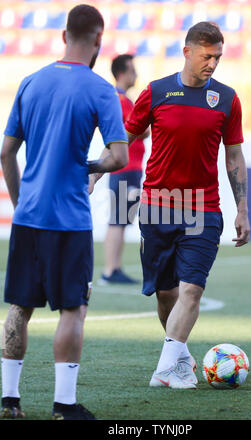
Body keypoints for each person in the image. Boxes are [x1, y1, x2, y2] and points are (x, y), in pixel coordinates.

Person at [0, 4, 128, 419]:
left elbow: (6, 153)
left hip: (28, 217)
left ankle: (10, 400)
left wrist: (22, 204)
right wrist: (89, 167)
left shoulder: (31, 82)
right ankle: (64, 405)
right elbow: (118, 156)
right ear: (98, 40)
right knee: (73, 308)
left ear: (62, 36)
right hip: (69, 221)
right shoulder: (100, 89)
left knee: (19, 306)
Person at [125, 21, 250, 389]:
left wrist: (241, 208)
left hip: (204, 208)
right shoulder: (156, 92)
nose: (212, 63)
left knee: (192, 288)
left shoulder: (227, 99)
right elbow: (124, 138)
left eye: (218, 57)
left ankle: (165, 370)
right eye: (206, 56)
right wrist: (98, 171)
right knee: (167, 294)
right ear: (187, 52)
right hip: (157, 206)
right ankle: (179, 356)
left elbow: (235, 156)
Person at [99, 54, 148, 285]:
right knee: (118, 220)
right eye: (132, 70)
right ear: (122, 73)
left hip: (128, 169)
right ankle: (110, 270)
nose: (135, 74)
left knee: (121, 219)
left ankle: (114, 268)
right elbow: (138, 130)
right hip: (125, 169)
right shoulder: (121, 101)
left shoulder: (123, 99)